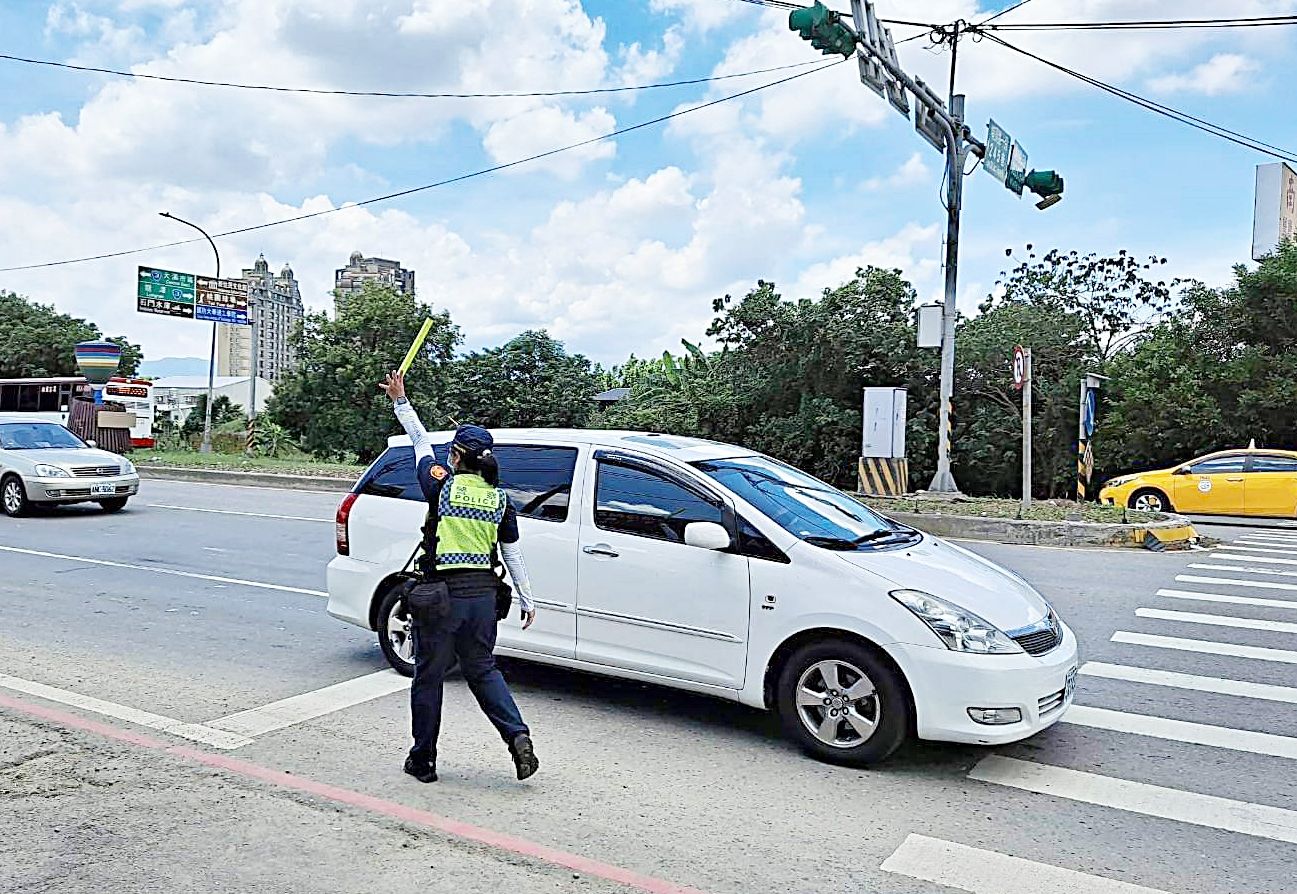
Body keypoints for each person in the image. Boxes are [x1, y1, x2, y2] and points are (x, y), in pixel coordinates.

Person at [378, 370, 540, 784]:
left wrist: (401, 400)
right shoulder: (500, 499)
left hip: (441, 598)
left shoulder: (442, 486)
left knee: (429, 677)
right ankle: (517, 736)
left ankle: (424, 759)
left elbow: (418, 442)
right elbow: (512, 553)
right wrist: (527, 599)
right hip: (484, 598)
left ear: (455, 456)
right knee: (483, 669)